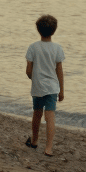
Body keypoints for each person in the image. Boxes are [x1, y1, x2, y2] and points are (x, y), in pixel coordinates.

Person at [25, 14, 65, 157]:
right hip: (52, 87)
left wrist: (33, 78)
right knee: (50, 116)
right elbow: (59, 71)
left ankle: (35, 140)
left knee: (37, 114)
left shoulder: (33, 47)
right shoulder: (57, 48)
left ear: (38, 29)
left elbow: (28, 70)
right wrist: (61, 91)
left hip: (37, 87)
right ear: (54, 30)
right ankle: (48, 147)